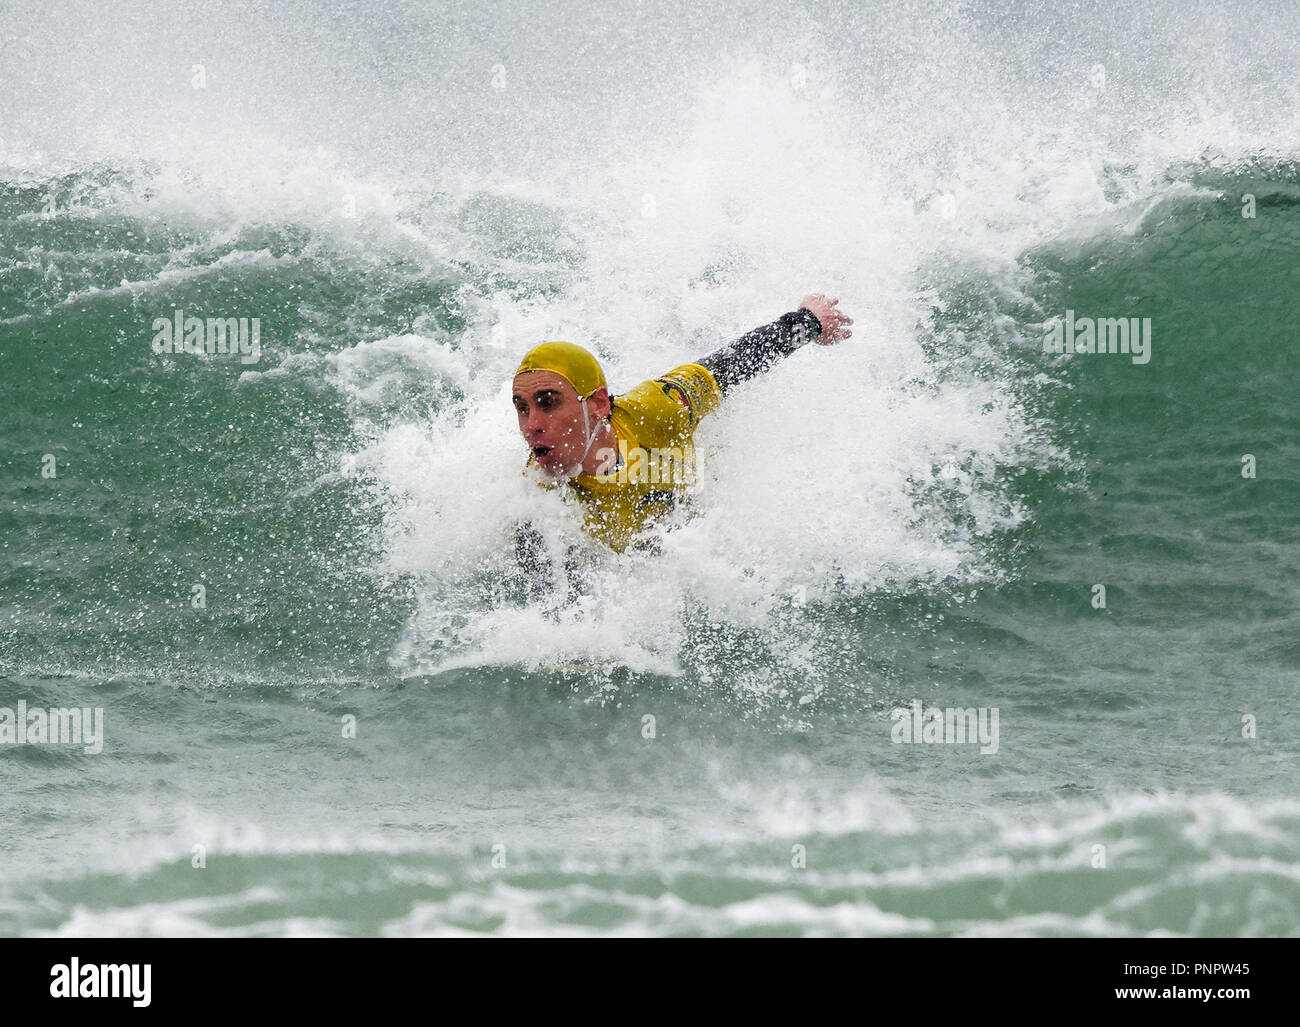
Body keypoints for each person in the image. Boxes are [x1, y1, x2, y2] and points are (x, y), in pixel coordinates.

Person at [511, 294, 853, 585]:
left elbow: (734, 365)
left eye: (548, 403)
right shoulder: (542, 501)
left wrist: (808, 321)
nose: (531, 426)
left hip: (704, 487)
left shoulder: (656, 409)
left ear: (598, 403)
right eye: (522, 408)